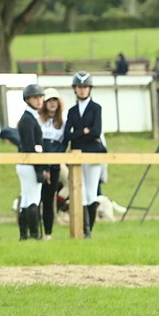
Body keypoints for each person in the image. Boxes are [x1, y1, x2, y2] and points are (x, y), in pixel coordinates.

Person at [64, 71, 107, 238]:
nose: (82, 90)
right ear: (75, 89)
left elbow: (96, 131)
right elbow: (67, 135)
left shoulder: (96, 108)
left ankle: (89, 230)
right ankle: (83, 229)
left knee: (91, 192)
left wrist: (78, 133)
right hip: (77, 154)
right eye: (79, 87)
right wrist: (84, 131)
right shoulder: (72, 111)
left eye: (85, 87)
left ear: (90, 89)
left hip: (93, 153)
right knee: (79, 192)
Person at [16, 84, 50, 241]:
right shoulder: (28, 120)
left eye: (40, 97)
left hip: (25, 163)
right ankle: (35, 234)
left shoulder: (29, 117)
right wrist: (40, 168)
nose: (39, 100)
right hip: (30, 163)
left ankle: (24, 234)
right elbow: (31, 146)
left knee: (26, 199)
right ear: (27, 99)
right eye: (35, 97)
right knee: (33, 199)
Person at [38, 88, 66, 239]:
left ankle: (48, 233)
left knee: (49, 199)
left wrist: (53, 161)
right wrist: (44, 165)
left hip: (55, 165)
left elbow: (63, 143)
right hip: (39, 164)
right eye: (49, 100)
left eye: (55, 100)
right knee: (37, 198)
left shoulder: (62, 122)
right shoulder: (38, 119)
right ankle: (35, 231)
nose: (52, 103)